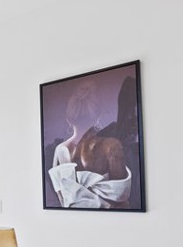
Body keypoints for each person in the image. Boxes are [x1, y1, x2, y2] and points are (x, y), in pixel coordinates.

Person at [49, 80, 132, 209]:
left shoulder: (60, 150)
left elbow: (62, 200)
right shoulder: (111, 146)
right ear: (98, 117)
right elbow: (122, 201)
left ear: (69, 121)